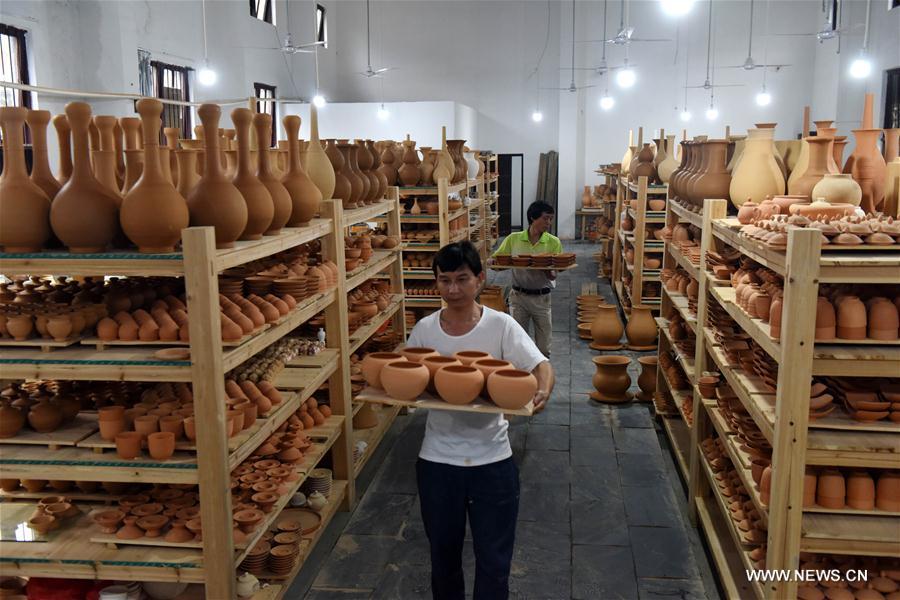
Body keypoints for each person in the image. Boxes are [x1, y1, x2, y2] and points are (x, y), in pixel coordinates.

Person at [407, 241, 555, 600]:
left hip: (492, 460)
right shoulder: (426, 330)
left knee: (494, 560)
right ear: (436, 284)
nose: (453, 289)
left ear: (480, 279)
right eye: (444, 281)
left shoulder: (501, 326)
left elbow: (540, 365)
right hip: (438, 460)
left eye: (462, 279)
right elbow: (406, 371)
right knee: (443, 558)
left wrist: (543, 390)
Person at [491, 201, 562, 357]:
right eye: (545, 218)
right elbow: (497, 262)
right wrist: (493, 264)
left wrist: (548, 271)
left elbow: (554, 273)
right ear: (532, 218)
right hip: (519, 297)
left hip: (542, 298)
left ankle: (541, 377)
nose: (549, 223)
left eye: (551, 219)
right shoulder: (513, 239)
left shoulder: (553, 242)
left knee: (544, 348)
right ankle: (522, 378)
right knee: (517, 344)